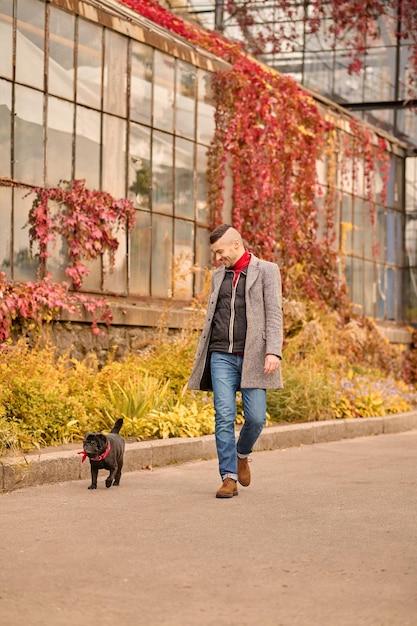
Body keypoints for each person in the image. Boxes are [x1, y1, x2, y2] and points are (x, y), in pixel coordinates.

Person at [188, 224, 283, 498]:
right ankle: (228, 477)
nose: (218, 258)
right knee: (224, 416)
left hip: (253, 355)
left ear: (236, 244)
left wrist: (273, 350)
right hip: (221, 355)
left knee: (255, 418)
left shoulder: (267, 271)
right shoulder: (219, 275)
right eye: (216, 253)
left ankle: (242, 454)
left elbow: (274, 313)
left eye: (220, 252)